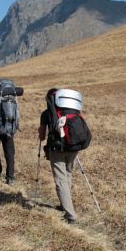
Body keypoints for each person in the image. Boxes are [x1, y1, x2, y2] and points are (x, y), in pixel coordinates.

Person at [38, 88, 81, 224]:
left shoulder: (46, 114)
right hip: (73, 147)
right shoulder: (73, 110)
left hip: (56, 149)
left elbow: (42, 136)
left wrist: (42, 133)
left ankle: (71, 216)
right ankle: (64, 204)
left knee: (60, 180)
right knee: (68, 174)